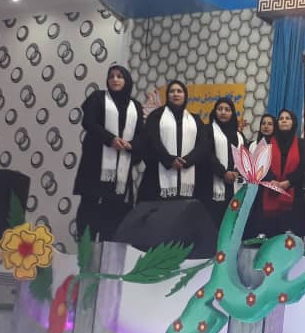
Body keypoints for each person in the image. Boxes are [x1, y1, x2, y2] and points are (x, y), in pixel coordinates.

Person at [74, 65, 144, 241]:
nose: (115, 79)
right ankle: (86, 249)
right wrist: (110, 139)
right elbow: (89, 122)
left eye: (119, 76)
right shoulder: (98, 98)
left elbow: (141, 135)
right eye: (111, 76)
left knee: (114, 212)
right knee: (89, 208)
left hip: (121, 170)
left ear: (127, 81)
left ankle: (107, 251)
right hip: (95, 165)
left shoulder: (135, 106)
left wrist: (130, 145)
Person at [138, 79, 207, 203]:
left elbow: (203, 145)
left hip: (188, 179)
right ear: (167, 95)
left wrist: (187, 161)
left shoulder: (195, 120)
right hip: (158, 179)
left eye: (179, 91)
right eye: (172, 91)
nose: (175, 94)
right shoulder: (155, 117)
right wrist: (170, 160)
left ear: (185, 96)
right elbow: (151, 141)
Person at [257, 109, 305, 237]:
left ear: (293, 122)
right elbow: (262, 165)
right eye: (281, 118)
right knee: (270, 233)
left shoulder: (301, 144)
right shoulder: (268, 143)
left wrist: (288, 182)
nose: (284, 120)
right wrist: (272, 180)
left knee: (287, 237)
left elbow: (304, 167)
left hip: (293, 194)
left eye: (287, 118)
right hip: (270, 190)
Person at [202, 97, 246, 225]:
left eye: (227, 109)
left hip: (234, 184)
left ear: (232, 113)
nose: (223, 112)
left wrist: (236, 172)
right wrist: (223, 173)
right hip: (213, 185)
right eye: (220, 109)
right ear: (214, 111)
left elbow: (244, 157)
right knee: (214, 222)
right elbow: (207, 154)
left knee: (231, 223)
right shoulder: (207, 130)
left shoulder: (239, 135)